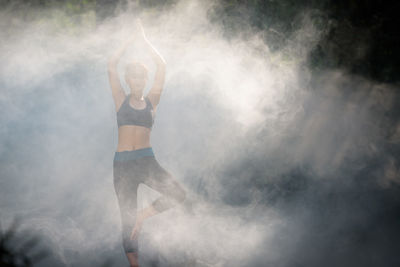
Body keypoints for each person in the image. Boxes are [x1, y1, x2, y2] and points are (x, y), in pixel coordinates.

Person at [108, 19, 186, 267]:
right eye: (133, 78)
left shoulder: (153, 100)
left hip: (146, 160)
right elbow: (111, 65)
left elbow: (161, 66)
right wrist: (129, 41)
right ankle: (135, 265)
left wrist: (144, 40)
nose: (138, 81)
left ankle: (143, 215)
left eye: (142, 78)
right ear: (128, 80)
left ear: (145, 80)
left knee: (177, 193)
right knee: (126, 222)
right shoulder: (120, 99)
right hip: (122, 166)